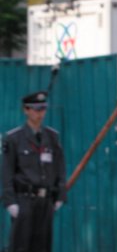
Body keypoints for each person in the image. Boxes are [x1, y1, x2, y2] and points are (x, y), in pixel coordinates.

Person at [2, 91, 66, 252]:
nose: (40, 113)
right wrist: (10, 202)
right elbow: (6, 172)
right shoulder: (13, 138)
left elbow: (59, 167)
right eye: (36, 109)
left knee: (43, 246)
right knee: (21, 246)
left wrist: (60, 195)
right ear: (26, 110)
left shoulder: (52, 137)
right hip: (24, 201)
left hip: (45, 201)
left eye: (43, 109)